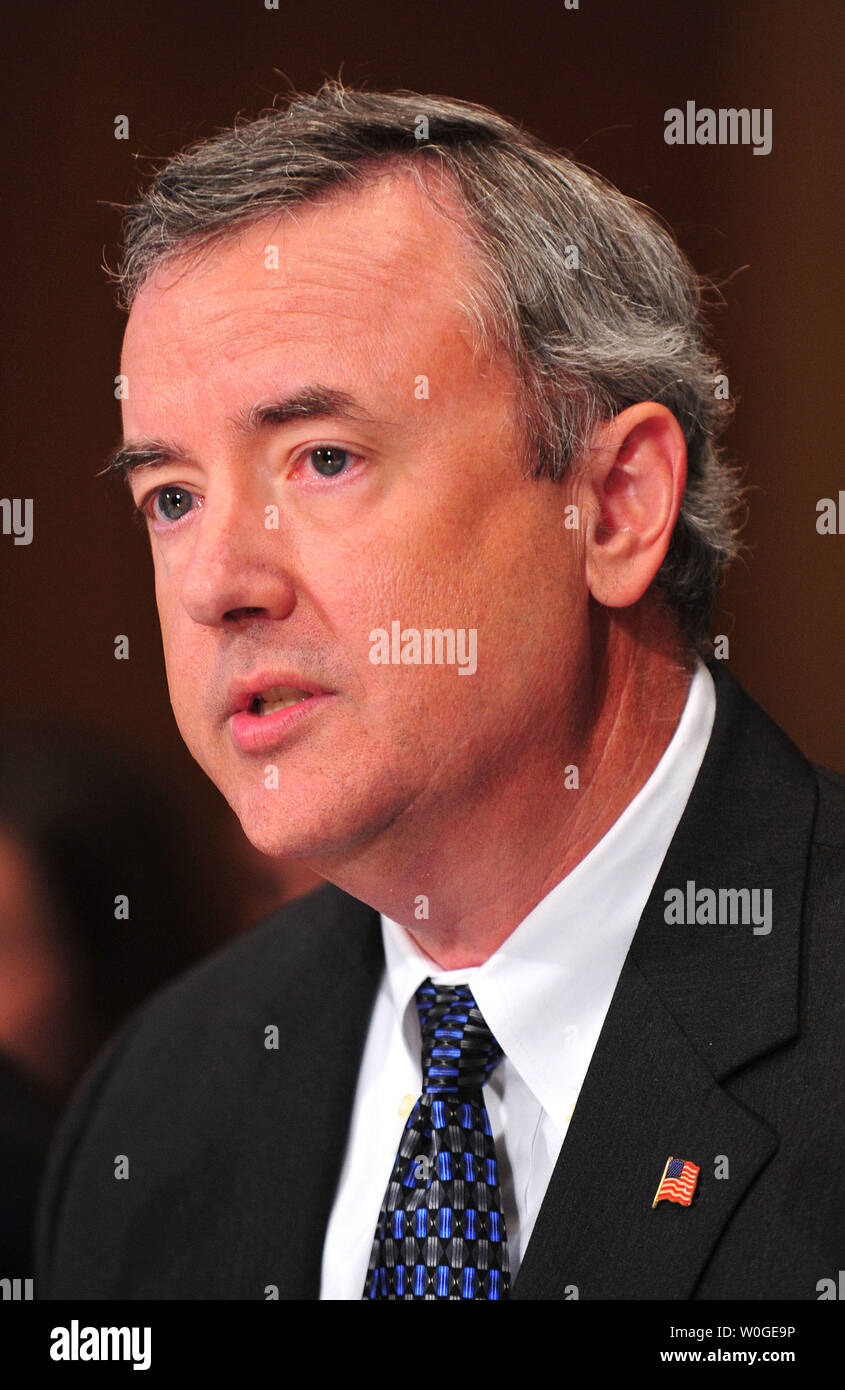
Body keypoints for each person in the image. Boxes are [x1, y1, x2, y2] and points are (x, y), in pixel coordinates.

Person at [35, 82, 844, 1301]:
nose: (215, 584)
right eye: (173, 496)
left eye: (322, 459)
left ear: (614, 505)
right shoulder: (157, 1107)